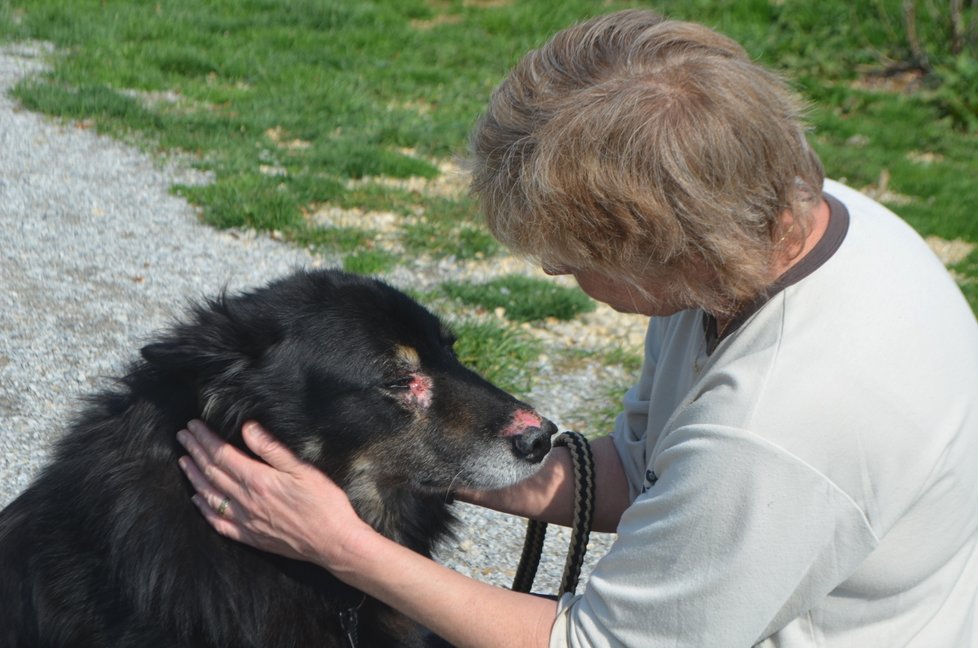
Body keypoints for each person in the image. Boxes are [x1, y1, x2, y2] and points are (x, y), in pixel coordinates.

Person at [176, 9, 978, 647]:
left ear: (665, 245)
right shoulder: (787, 222)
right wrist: (445, 450)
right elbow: (645, 470)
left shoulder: (783, 424)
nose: (557, 273)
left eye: (572, 257)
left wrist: (335, 543)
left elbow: (597, 644)